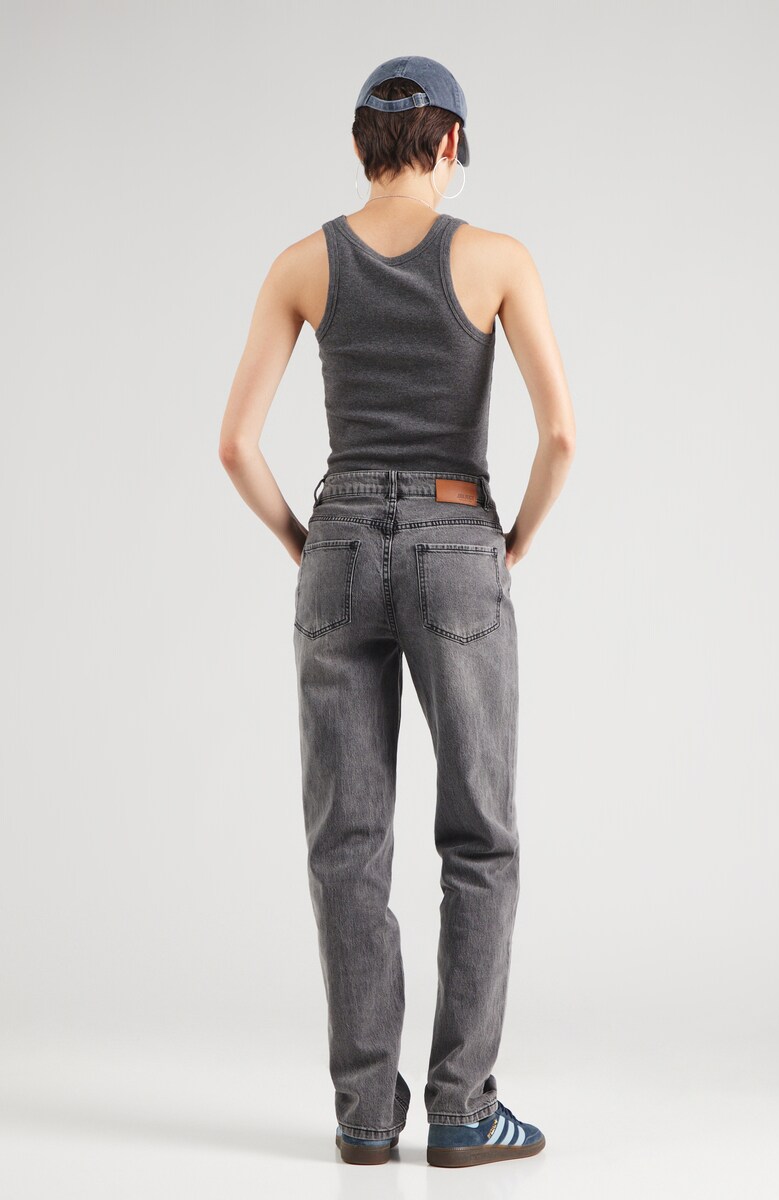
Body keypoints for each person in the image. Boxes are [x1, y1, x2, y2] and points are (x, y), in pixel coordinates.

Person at [219, 56, 575, 1168]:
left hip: (337, 542)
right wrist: (512, 540)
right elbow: (562, 435)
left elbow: (235, 444)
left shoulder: (302, 263)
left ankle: (365, 1121)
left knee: (346, 843)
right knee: (479, 835)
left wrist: (308, 542)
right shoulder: (497, 258)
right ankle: (463, 1110)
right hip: (458, 538)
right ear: (450, 142)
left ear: (359, 147)